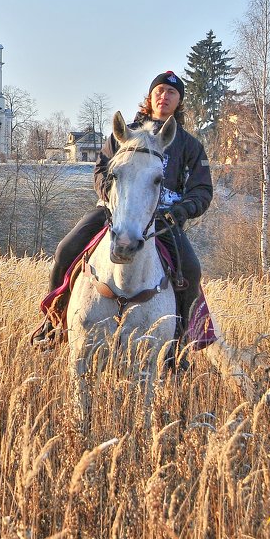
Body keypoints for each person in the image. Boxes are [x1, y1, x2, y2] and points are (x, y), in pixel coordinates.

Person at [32, 71, 213, 351]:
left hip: (162, 218)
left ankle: (180, 342)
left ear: (179, 102)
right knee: (65, 250)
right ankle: (53, 323)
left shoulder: (189, 145)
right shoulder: (122, 134)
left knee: (190, 267)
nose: (164, 97)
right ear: (150, 97)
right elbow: (101, 171)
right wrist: (111, 195)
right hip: (113, 211)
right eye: (160, 91)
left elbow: (202, 190)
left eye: (172, 93)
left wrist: (182, 210)